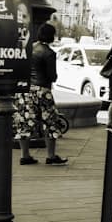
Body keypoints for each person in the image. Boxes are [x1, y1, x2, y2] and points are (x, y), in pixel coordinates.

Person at [14, 22, 67, 165]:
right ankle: (51, 156)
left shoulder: (28, 47)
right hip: (42, 90)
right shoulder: (49, 53)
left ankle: (25, 156)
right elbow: (52, 76)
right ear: (51, 36)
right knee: (50, 122)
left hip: (25, 90)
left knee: (25, 122)